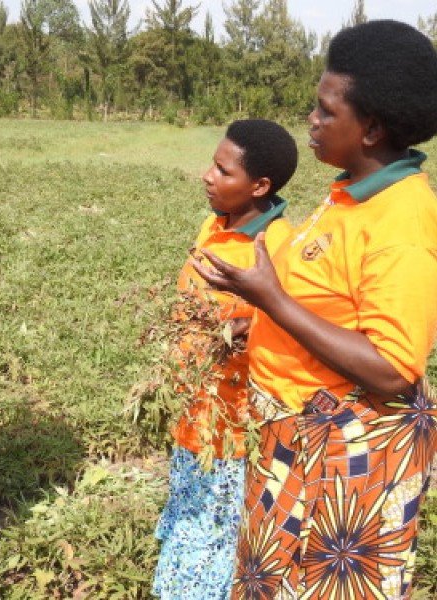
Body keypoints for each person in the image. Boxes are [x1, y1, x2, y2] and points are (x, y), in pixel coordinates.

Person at [192, 20, 437, 600]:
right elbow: (327, 306)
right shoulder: (346, 194)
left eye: (326, 111)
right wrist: (254, 320)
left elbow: (390, 367)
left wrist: (269, 298)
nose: (312, 119)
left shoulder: (401, 220)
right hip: (293, 440)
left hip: (344, 454)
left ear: (371, 127)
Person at [152, 119, 298, 600]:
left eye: (223, 171)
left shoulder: (273, 246)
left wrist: (248, 329)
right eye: (212, 164)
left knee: (217, 538)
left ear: (259, 186)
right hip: (195, 414)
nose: (208, 176)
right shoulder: (213, 226)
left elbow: (290, 322)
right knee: (189, 518)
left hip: (234, 430)